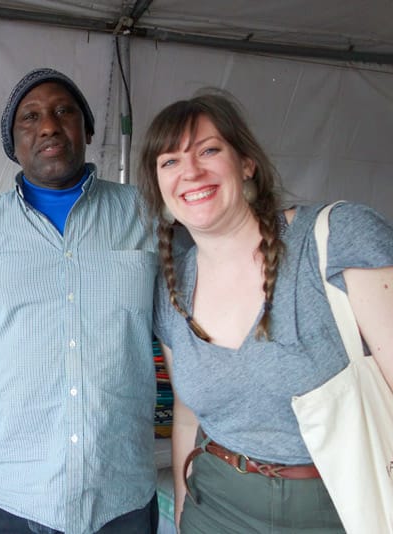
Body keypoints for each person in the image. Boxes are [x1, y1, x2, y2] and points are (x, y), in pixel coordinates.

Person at [0, 68, 159, 534]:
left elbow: (195, 339)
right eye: (30, 117)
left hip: (120, 497)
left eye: (64, 110)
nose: (48, 125)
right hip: (6, 501)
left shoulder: (145, 217)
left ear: (87, 128)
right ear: (13, 145)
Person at [137, 91, 393, 533]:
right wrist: (182, 507)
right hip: (215, 506)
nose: (191, 171)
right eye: (170, 162)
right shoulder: (172, 286)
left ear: (247, 163)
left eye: (209, 150)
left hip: (339, 504)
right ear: (159, 186)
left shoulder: (337, 238)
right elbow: (187, 414)